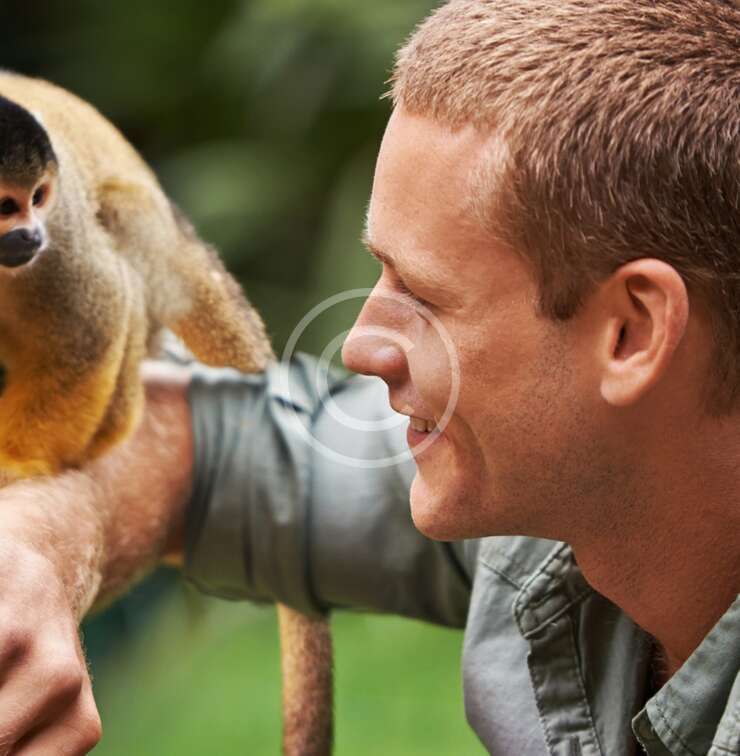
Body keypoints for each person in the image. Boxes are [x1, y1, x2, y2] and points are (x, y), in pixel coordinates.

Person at [0, 1, 737, 753]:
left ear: (631, 331)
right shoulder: (540, 478)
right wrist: (35, 549)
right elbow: (222, 454)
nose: (358, 347)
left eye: (423, 296)